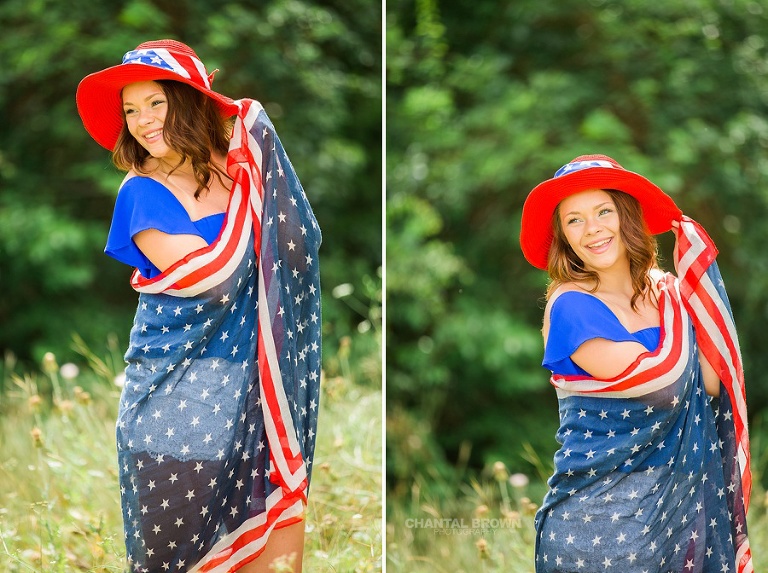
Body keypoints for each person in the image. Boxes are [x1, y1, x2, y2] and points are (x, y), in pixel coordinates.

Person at [76, 39, 321, 573]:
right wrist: (254, 177)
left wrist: (258, 146)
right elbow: (213, 279)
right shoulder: (140, 192)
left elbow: (299, 245)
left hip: (260, 402)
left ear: (188, 100)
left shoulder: (242, 174)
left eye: (155, 103)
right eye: (131, 110)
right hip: (176, 413)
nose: (142, 121)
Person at [519, 155, 751, 573]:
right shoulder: (572, 307)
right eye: (574, 220)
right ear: (564, 237)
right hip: (596, 534)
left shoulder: (668, 297)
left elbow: (714, 385)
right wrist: (693, 302)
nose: (592, 229)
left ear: (627, 217)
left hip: (673, 528)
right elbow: (663, 382)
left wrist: (690, 291)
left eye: (603, 211)